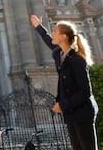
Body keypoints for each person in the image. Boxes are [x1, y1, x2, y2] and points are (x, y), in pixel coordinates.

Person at [29, 15, 98, 150]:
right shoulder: (60, 55)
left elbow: (85, 91)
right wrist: (39, 27)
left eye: (55, 31)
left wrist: (63, 105)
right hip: (72, 113)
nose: (53, 33)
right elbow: (49, 41)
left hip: (83, 113)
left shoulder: (77, 60)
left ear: (64, 37)